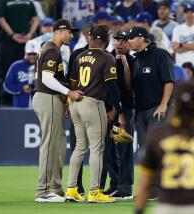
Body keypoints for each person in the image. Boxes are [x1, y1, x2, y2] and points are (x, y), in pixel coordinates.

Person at [135, 80, 194, 214]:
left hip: (166, 208)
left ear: (175, 105)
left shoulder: (156, 135)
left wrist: (138, 211)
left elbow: (145, 183)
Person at [66, 25, 119, 203]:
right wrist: (117, 108)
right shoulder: (107, 57)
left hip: (76, 102)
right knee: (97, 147)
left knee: (80, 146)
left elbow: (72, 84)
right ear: (106, 39)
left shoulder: (79, 56)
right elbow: (112, 86)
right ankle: (95, 191)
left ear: (91, 38)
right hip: (93, 102)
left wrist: (70, 102)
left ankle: (71, 189)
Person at [33, 19, 82, 203]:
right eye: (70, 32)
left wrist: (63, 100)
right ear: (60, 31)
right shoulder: (52, 49)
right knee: (50, 144)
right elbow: (46, 78)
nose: (71, 35)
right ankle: (43, 191)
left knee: (59, 144)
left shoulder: (49, 47)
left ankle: (54, 188)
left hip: (50, 98)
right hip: (47, 97)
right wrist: (68, 92)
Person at [125, 26, 174, 148]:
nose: (128, 41)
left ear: (142, 39)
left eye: (131, 38)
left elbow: (169, 82)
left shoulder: (160, 54)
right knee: (144, 148)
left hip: (157, 108)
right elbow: (130, 85)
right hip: (140, 110)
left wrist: (163, 105)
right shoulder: (134, 59)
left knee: (157, 146)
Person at [100, 29, 135, 200]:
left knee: (124, 148)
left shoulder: (134, 60)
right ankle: (114, 183)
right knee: (107, 150)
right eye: (117, 40)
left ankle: (126, 187)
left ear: (129, 43)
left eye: (123, 41)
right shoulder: (107, 57)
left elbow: (128, 87)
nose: (120, 44)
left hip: (124, 111)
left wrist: (126, 65)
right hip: (107, 111)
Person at [0, 0, 39, 78]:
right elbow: (1, 20)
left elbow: (35, 20)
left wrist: (29, 34)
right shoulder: (5, 2)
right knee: (9, 64)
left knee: (25, 63)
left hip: (20, 38)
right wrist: (29, 34)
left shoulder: (5, 2)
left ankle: (25, 85)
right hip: (14, 39)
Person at [3, 40, 38, 108]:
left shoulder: (43, 67)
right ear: (25, 53)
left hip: (40, 109)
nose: (32, 56)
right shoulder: (16, 66)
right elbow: (7, 86)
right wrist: (22, 88)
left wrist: (35, 87)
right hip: (20, 109)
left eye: (34, 54)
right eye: (30, 54)